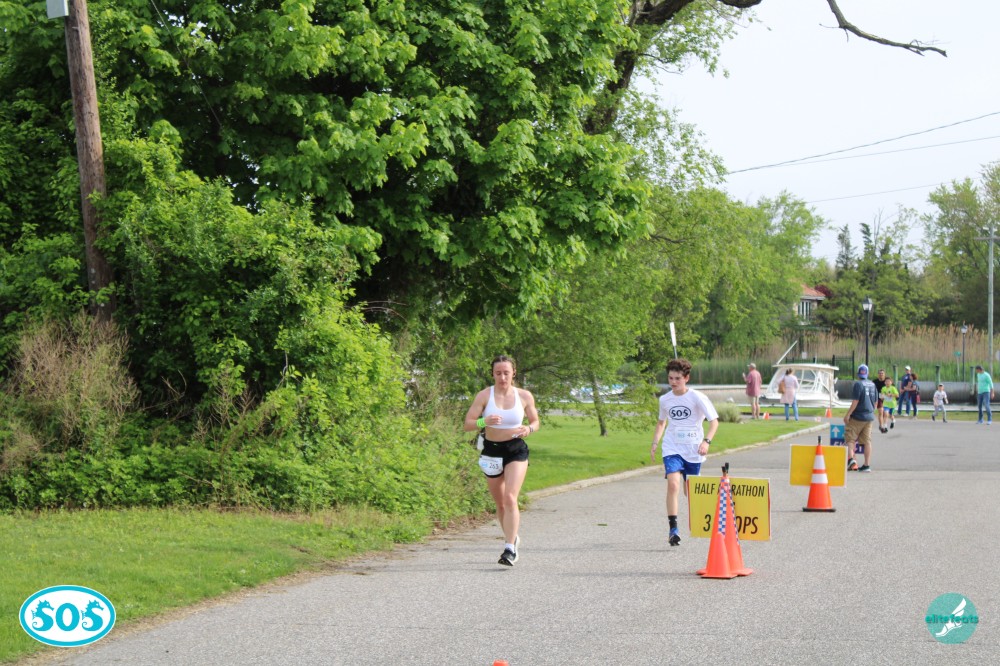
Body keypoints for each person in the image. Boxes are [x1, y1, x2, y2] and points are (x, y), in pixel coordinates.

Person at [464, 354, 540, 566]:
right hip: (491, 451)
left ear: (513, 373)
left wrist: (529, 429)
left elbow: (535, 421)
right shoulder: (484, 396)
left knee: (510, 498)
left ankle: (509, 549)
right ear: (493, 374)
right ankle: (512, 537)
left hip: (516, 450)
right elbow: (467, 424)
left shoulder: (524, 396)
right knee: (500, 503)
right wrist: (484, 421)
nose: (502, 377)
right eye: (498, 373)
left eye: (506, 373)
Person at [649, 358, 719, 547]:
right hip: (672, 447)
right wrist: (655, 442)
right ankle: (673, 530)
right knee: (673, 485)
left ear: (686, 378)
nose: (673, 382)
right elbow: (661, 422)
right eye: (670, 378)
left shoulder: (697, 397)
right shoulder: (665, 399)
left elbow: (714, 422)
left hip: (693, 449)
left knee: (691, 492)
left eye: (677, 378)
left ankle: (707, 520)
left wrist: (706, 441)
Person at [844, 364, 878, 473]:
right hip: (869, 417)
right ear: (867, 373)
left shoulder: (858, 384)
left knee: (850, 438)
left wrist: (848, 414)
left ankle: (851, 460)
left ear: (858, 374)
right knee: (867, 441)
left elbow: (855, 401)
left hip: (858, 416)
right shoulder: (873, 385)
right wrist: (871, 411)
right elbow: (876, 402)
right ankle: (866, 465)